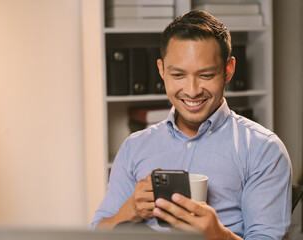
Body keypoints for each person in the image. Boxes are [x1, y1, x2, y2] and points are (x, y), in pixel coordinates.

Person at [91, 10, 292, 240]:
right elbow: (96, 232)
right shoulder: (134, 147)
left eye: (206, 75)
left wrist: (218, 235)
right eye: (178, 75)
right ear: (161, 71)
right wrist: (132, 210)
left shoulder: (263, 149)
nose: (192, 90)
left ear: (228, 70)